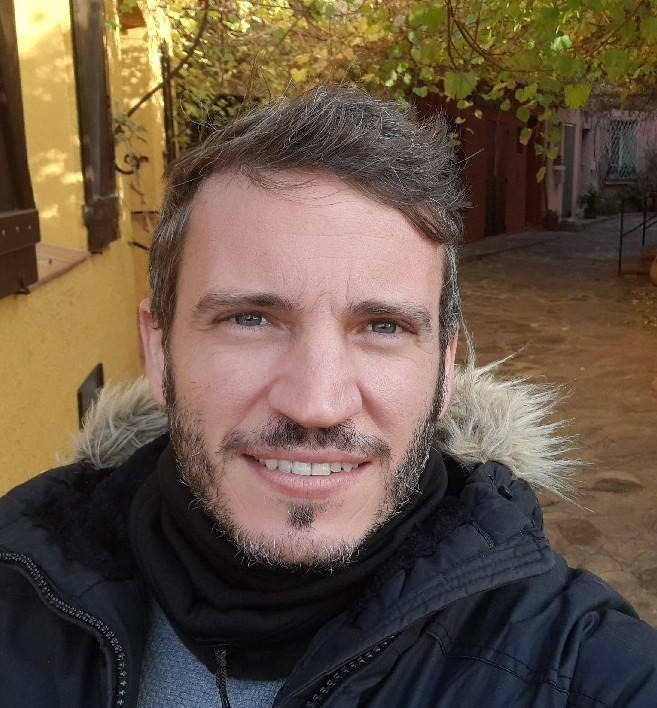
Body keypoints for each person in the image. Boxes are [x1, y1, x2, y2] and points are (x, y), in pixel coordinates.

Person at [0, 85, 655, 708]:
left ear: (444, 368)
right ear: (157, 350)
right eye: (250, 319)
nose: (316, 404)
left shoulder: (585, 671)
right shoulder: (15, 591)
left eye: (383, 327)